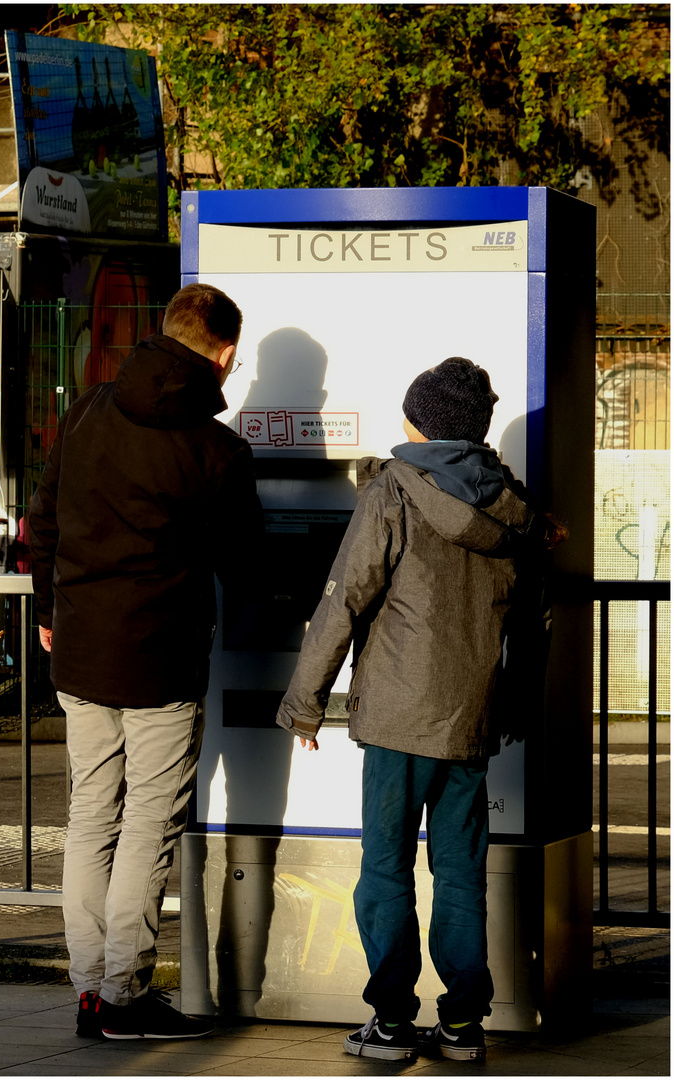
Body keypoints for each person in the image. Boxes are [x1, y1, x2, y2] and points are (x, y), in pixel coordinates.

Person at [276, 357, 552, 1063]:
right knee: (460, 871)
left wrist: (305, 699)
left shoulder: (394, 489)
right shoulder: (509, 501)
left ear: (420, 422)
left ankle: (393, 1023)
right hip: (469, 718)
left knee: (388, 868)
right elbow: (531, 616)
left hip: (399, 718)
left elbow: (347, 596)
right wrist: (514, 700)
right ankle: (463, 1026)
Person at [28, 283, 262, 1040]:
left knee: (93, 813)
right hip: (160, 659)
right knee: (148, 825)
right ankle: (125, 994)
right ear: (223, 355)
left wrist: (45, 612)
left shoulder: (90, 409)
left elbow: (44, 520)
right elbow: (246, 564)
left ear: (163, 332)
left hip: (81, 650)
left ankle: (92, 989)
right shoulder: (216, 449)